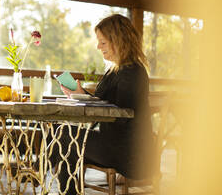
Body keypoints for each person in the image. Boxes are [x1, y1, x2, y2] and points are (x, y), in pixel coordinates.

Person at [52, 14, 155, 194]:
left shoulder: (132, 72)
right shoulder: (116, 69)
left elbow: (121, 115)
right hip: (115, 143)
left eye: (103, 42)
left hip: (128, 151)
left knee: (63, 137)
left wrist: (86, 99)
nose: (98, 47)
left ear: (119, 41)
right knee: (61, 135)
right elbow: (105, 103)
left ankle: (35, 170)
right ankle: (39, 171)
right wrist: (80, 95)